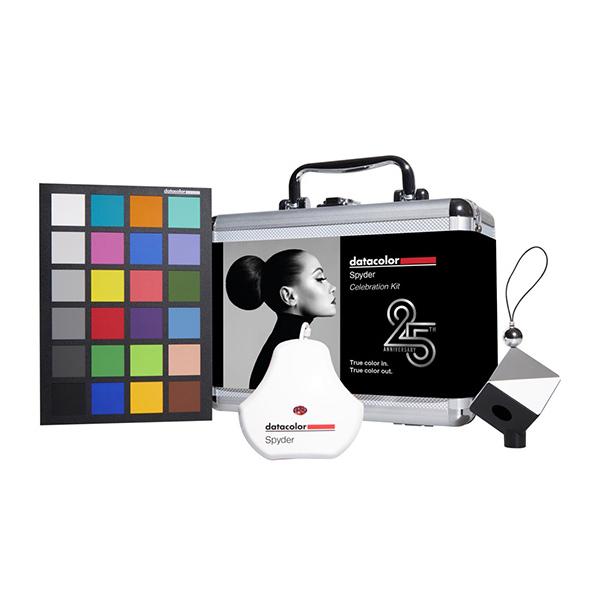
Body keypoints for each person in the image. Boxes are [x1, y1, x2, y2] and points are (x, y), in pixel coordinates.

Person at [226, 249, 336, 389]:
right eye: (320, 279)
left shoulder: (283, 347)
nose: (333, 288)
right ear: (289, 296)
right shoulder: (289, 353)